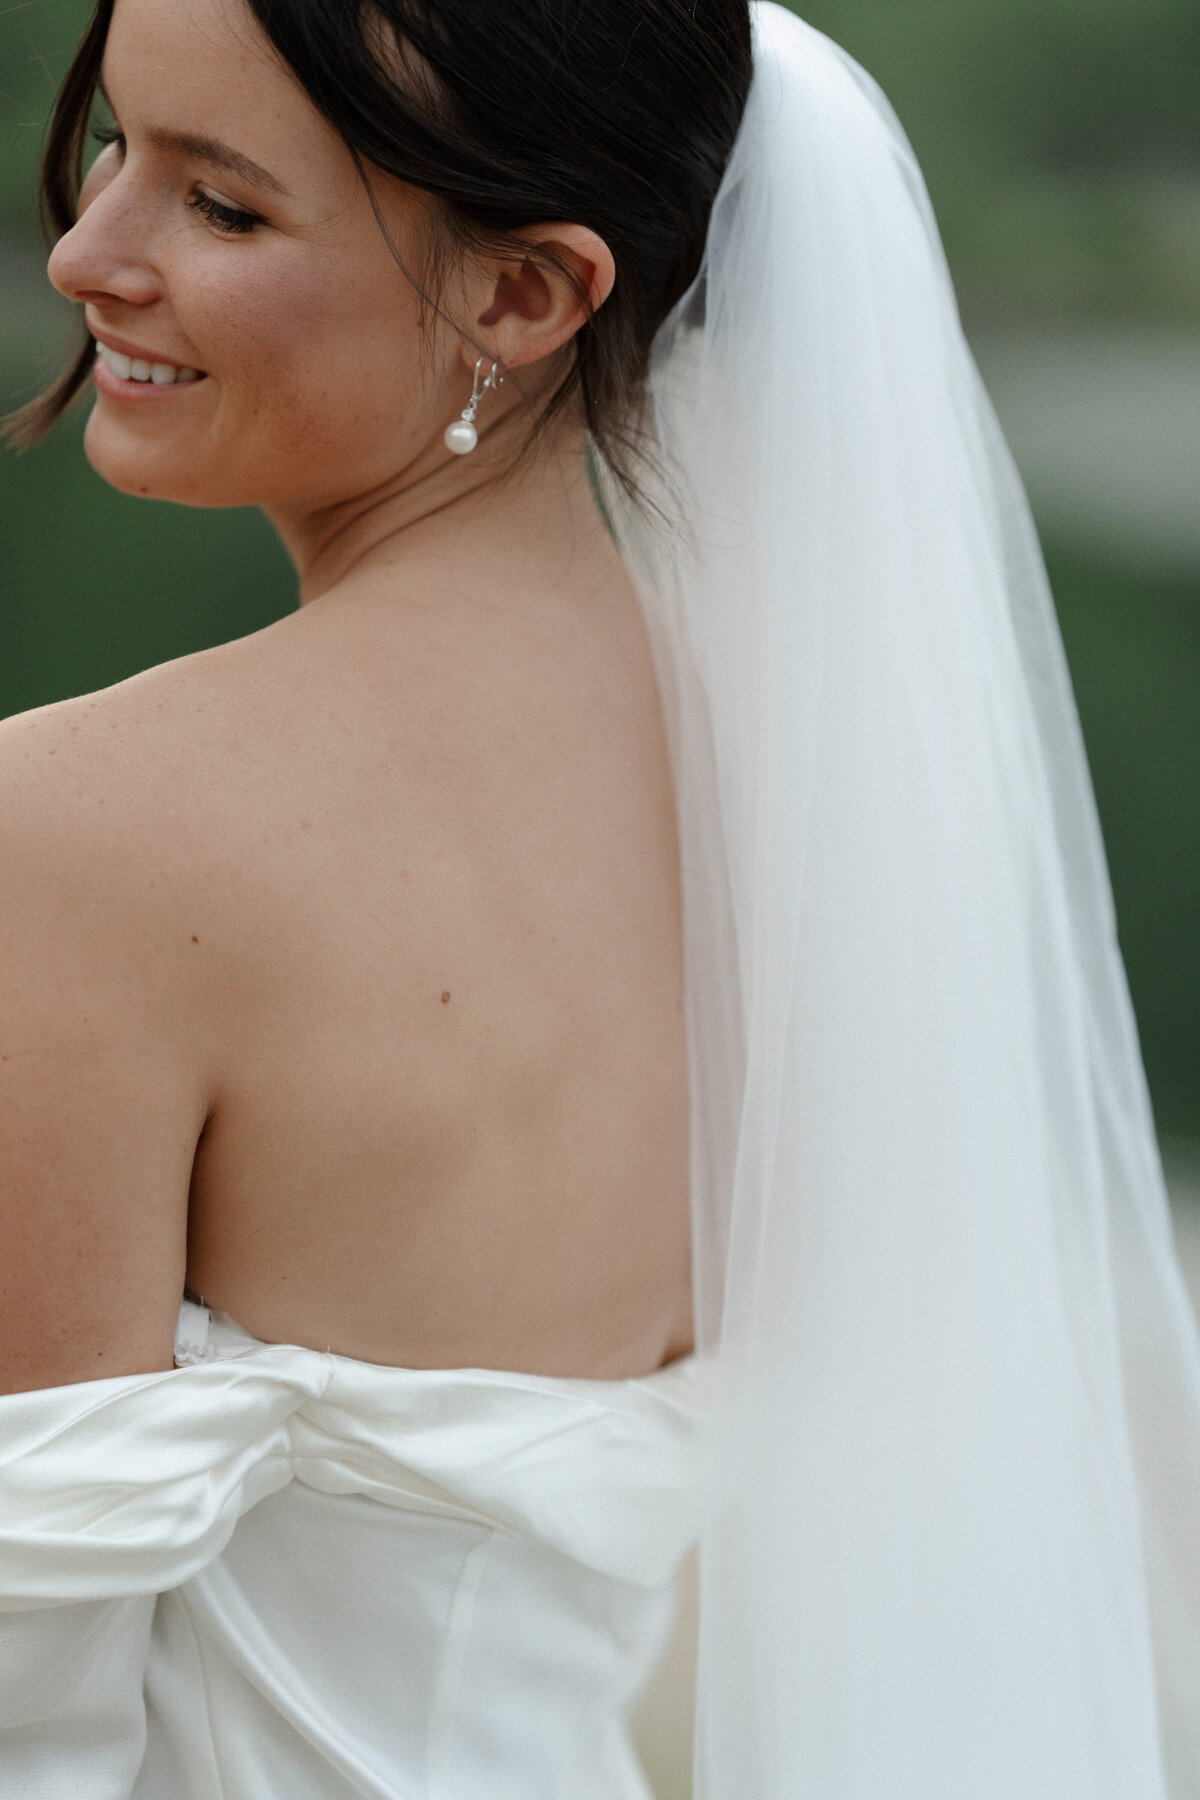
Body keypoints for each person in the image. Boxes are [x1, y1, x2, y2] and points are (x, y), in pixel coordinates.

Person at [3, 0, 1200, 1796]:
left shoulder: (85, 832)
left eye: (222, 207)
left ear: (526, 294)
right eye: (114, 142)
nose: (88, 251)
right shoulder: (799, 798)